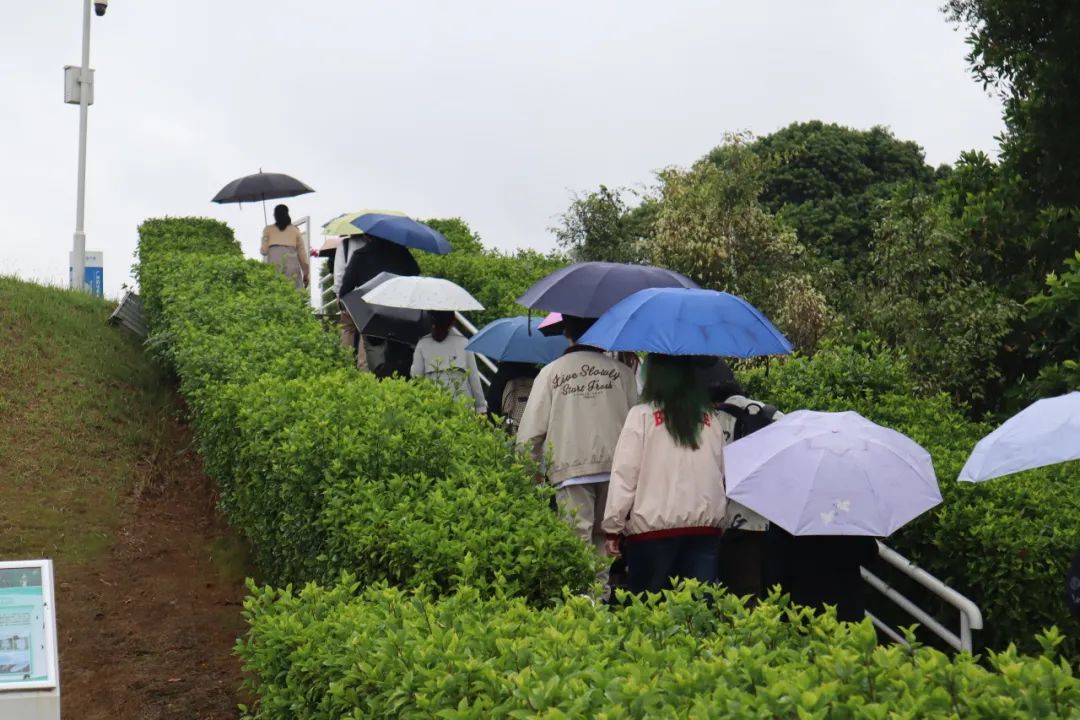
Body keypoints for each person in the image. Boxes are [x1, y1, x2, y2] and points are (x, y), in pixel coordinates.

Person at [517, 316, 639, 590]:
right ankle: (602, 599)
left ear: (567, 332)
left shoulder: (550, 373)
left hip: (569, 470)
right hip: (615, 469)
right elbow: (637, 424)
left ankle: (581, 605)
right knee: (606, 539)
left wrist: (530, 475)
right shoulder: (623, 373)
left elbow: (529, 434)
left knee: (576, 539)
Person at [602, 354, 728, 594]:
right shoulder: (710, 419)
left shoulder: (641, 416)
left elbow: (625, 475)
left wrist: (613, 527)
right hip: (705, 531)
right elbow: (720, 473)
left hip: (652, 533)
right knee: (699, 615)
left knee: (651, 615)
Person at [699, 359, 784, 599]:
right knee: (774, 597)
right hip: (775, 523)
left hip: (732, 525)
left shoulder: (709, 419)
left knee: (742, 598)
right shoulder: (772, 414)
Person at [338, 237, 421, 371]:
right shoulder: (403, 254)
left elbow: (346, 289)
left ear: (368, 236)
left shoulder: (361, 255)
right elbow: (415, 275)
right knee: (399, 354)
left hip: (372, 313)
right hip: (400, 314)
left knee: (372, 352)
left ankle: (372, 381)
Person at [764, 527, 879, 622]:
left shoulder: (789, 515)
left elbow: (776, 567)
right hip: (846, 603)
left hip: (802, 604)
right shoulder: (848, 514)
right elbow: (868, 554)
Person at [411, 311, 487, 413]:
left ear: (432, 321)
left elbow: (416, 377)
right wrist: (481, 407)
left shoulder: (422, 344)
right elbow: (474, 378)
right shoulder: (463, 343)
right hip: (463, 409)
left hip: (433, 408)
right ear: (453, 321)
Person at [260, 204, 309, 290]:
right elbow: (302, 256)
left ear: (275, 216)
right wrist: (306, 274)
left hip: (274, 269)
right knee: (294, 297)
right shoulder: (295, 231)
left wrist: (265, 239)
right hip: (292, 271)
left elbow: (264, 251)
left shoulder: (268, 229)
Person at [485, 361, 541, 434]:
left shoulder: (502, 375)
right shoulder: (538, 376)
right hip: (532, 428)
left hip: (508, 428)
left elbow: (493, 403)